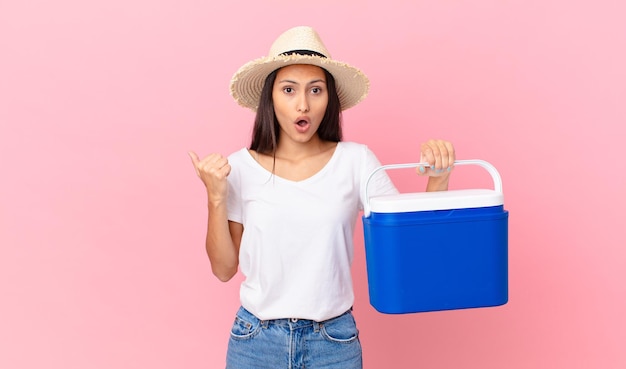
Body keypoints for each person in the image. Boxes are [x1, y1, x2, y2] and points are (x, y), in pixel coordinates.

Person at [188, 26, 455, 369]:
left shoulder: (355, 161)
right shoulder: (239, 168)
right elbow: (224, 269)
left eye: (316, 90)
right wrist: (215, 197)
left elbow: (410, 249)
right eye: (289, 90)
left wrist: (439, 179)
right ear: (271, 97)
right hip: (255, 343)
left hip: (334, 343)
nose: (303, 104)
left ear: (329, 98)